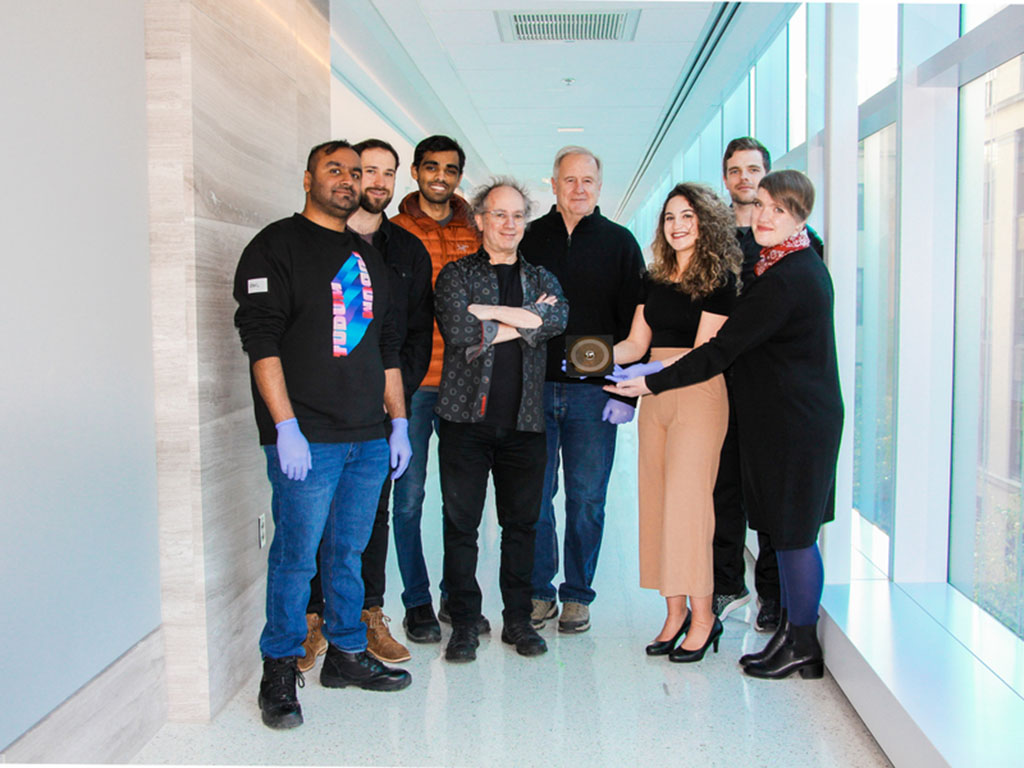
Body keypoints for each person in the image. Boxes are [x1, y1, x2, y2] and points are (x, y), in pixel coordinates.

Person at [606, 170, 843, 680]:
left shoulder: (790, 274)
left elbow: (721, 350)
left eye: (778, 210)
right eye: (760, 205)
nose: (763, 216)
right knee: (783, 532)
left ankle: (798, 641)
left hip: (794, 418)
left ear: (800, 217)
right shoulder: (778, 267)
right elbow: (640, 341)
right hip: (779, 415)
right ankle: (788, 636)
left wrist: (649, 381)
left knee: (795, 534)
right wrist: (603, 360)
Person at [233, 140, 413, 730]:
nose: (347, 179)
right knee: (295, 557)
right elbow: (261, 341)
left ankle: (345, 653)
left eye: (355, 172)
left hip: (368, 435)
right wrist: (284, 426)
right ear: (307, 176)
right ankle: (280, 667)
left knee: (349, 552)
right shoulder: (274, 246)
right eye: (334, 169)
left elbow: (387, 347)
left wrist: (400, 422)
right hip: (307, 438)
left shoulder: (367, 256)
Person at [299, 139, 433, 670]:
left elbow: (410, 337)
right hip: (318, 412)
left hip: (379, 411)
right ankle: (314, 619)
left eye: (386, 172)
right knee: (313, 516)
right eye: (366, 170)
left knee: (370, 518)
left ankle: (367, 615)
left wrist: (396, 409)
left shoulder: (407, 251)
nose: (375, 181)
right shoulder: (319, 242)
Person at [433, 178, 568, 662]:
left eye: (517, 216)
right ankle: (466, 622)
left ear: (525, 222)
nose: (508, 224)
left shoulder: (543, 279)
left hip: (526, 425)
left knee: (522, 526)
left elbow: (556, 321)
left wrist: (493, 316)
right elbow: (461, 330)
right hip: (464, 424)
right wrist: (525, 319)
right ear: (481, 220)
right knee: (461, 526)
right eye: (499, 214)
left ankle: (517, 621)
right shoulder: (455, 275)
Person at [608, 183, 740, 662]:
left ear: (704, 222)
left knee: (690, 509)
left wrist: (647, 377)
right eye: (669, 218)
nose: (678, 225)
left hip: (697, 393)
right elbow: (634, 344)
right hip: (655, 396)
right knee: (659, 503)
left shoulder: (720, 279)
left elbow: (706, 352)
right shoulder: (654, 277)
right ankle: (673, 611)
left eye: (687, 216)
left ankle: (704, 618)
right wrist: (593, 357)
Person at [519, 146, 645, 633]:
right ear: (552, 184)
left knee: (587, 497)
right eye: (568, 180)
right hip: (534, 389)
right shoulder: (530, 239)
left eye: (587, 181)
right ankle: (538, 590)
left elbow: (635, 323)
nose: (578, 189)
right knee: (536, 496)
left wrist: (623, 392)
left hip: (594, 392)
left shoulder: (620, 243)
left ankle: (577, 594)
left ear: (599, 185)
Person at [390, 135, 482, 643]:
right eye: (431, 167)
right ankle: (417, 602)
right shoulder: (396, 231)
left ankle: (456, 593)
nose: (440, 176)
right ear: (415, 172)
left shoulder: (478, 228)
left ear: (459, 175)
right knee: (409, 498)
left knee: (461, 501)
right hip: (415, 387)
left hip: (468, 386)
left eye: (450, 169)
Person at [712, 136, 779, 630]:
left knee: (771, 495)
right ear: (726, 178)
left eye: (752, 169)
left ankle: (773, 598)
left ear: (767, 174)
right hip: (719, 382)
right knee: (723, 489)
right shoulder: (716, 245)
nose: (744, 178)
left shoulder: (791, 241)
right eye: (735, 170)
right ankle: (726, 586)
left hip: (771, 387)